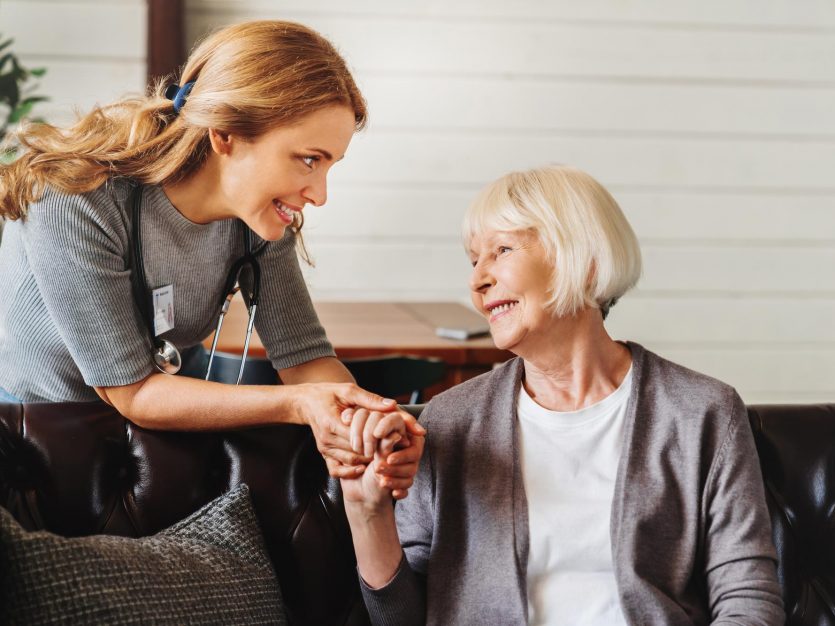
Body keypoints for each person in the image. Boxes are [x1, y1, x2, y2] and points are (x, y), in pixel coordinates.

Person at [340, 165, 784, 624]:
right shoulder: (450, 420)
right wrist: (367, 512)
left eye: (502, 250)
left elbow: (748, 601)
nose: (478, 281)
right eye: (474, 260)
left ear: (584, 259)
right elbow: (401, 619)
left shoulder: (702, 413)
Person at [0, 20, 423, 488]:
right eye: (308, 159)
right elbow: (133, 391)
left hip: (159, 433)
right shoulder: (75, 199)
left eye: (329, 165)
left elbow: (304, 359)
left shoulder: (258, 219)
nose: (320, 194)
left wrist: (366, 425)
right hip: (34, 438)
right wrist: (300, 405)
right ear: (225, 134)